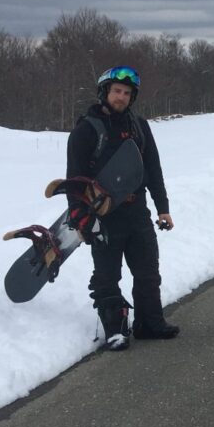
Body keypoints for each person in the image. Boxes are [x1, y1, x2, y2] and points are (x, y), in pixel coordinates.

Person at [67, 66, 179, 352]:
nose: (121, 97)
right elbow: (74, 179)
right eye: (117, 91)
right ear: (105, 92)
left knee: (147, 272)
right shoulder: (86, 130)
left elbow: (153, 168)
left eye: (127, 93)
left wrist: (162, 207)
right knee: (107, 275)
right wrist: (81, 217)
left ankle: (149, 323)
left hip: (137, 210)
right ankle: (115, 331)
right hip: (104, 215)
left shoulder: (140, 126)